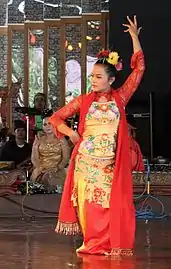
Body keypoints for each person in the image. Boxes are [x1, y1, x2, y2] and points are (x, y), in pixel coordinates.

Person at [49, 16, 145, 256]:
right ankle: (92, 244)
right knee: (90, 206)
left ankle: (109, 244)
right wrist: (71, 133)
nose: (93, 80)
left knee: (108, 205)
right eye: (92, 76)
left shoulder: (120, 98)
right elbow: (56, 118)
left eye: (98, 77)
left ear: (111, 80)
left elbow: (139, 68)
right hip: (86, 162)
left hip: (110, 163)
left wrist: (134, 37)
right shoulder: (84, 100)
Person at [31, 109, 70, 190]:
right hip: (40, 170)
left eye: (50, 123)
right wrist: (40, 168)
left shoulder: (61, 139)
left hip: (57, 170)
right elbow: (34, 158)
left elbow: (66, 158)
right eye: (44, 124)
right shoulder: (39, 139)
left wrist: (58, 167)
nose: (47, 126)